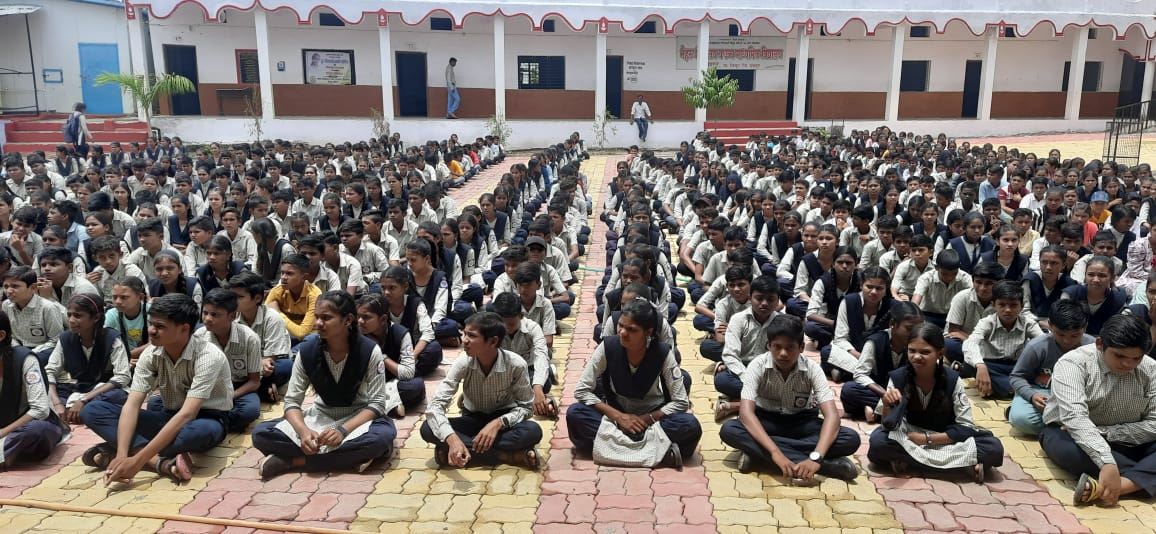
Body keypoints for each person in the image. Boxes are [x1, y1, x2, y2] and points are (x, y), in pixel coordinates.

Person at [79, 294, 233, 484]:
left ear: (184, 328)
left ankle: (129, 451)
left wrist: (136, 462)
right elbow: (132, 405)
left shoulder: (208, 356)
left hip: (205, 418)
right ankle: (158, 462)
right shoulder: (151, 353)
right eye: (151, 324)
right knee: (92, 410)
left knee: (198, 434)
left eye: (160, 326)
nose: (151, 331)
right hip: (168, 416)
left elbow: (187, 414)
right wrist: (121, 454)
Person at [252, 291, 397, 479]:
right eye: (317, 317)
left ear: (348, 320)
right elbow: (292, 402)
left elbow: (377, 404)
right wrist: (304, 432)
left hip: (357, 420)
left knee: (380, 438)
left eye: (327, 318)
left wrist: (342, 431)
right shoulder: (307, 351)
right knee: (261, 434)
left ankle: (293, 461)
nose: (318, 323)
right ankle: (352, 457)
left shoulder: (369, 351)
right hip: (320, 417)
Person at [718, 314, 861, 481]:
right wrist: (775, 453)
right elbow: (746, 413)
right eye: (777, 347)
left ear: (801, 347)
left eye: (790, 347)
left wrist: (816, 457)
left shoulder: (812, 369)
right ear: (769, 346)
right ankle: (827, 467)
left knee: (850, 438)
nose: (783, 353)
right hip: (767, 421)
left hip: (802, 424)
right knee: (730, 430)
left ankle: (759, 457)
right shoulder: (757, 366)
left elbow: (831, 416)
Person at [1041, 314, 1156, 506]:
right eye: (1120, 356)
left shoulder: (1151, 369)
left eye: (1136, 358)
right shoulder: (1073, 364)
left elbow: (1154, 423)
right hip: (1071, 435)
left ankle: (1118, 486)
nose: (1128, 364)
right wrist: (1106, 462)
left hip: (1129, 439)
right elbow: (1075, 418)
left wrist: (1106, 433)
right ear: (1100, 344)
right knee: (1067, 450)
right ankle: (1140, 478)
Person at [568, 299, 699, 468]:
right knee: (575, 413)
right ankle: (659, 452)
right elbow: (581, 390)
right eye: (620, 326)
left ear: (648, 332)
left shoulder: (662, 353)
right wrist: (620, 417)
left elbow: (680, 401)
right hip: (616, 417)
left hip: (652, 419)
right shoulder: (608, 347)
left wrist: (646, 419)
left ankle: (612, 448)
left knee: (689, 425)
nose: (623, 332)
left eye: (631, 329)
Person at [867, 322, 1005, 482]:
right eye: (912, 351)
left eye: (925, 352)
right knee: (878, 442)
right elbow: (887, 425)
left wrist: (925, 439)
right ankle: (961, 464)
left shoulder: (953, 380)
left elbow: (965, 425)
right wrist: (886, 404)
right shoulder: (898, 378)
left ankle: (909, 461)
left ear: (940, 353)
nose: (916, 357)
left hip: (945, 438)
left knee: (993, 447)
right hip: (909, 436)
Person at [420, 312, 543, 469]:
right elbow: (435, 406)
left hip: (503, 423)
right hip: (472, 419)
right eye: (464, 333)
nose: (464, 340)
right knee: (427, 428)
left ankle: (467, 452)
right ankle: (507, 456)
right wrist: (452, 439)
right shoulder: (463, 363)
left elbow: (526, 408)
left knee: (532, 431)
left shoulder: (516, 365)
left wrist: (498, 423)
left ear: (493, 341)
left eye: (471, 336)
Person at [1007, 300, 1093, 436]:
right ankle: (1070, 428)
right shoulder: (1037, 347)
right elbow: (1016, 377)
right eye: (1061, 334)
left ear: (1085, 327)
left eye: (1074, 335)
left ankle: (1062, 427)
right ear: (1050, 326)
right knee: (1022, 419)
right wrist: (1032, 396)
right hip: (1044, 393)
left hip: (1080, 396)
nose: (1067, 341)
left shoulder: (1093, 347)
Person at [0, 310, 68, 469]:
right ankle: (7, 453)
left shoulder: (24, 359)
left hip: (23, 426)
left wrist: (3, 432)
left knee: (38, 430)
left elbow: (40, 410)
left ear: (1, 335)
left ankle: (6, 452)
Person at [960, 280, 1045, 399]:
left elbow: (1043, 344)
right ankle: (1012, 387)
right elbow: (970, 343)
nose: (1008, 310)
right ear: (993, 305)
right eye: (1002, 305)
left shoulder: (1028, 323)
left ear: (1022, 306)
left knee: (1030, 371)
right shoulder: (987, 322)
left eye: (1013, 305)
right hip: (991, 365)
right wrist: (980, 366)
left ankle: (1002, 386)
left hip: (1016, 366)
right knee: (970, 365)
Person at [841, 302, 923, 422]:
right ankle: (890, 411)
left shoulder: (918, 344)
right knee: (849, 390)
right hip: (879, 390)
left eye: (918, 329)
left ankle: (876, 411)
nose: (914, 334)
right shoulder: (875, 341)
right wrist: (885, 394)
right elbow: (860, 374)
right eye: (909, 329)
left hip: (902, 392)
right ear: (893, 324)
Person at [196, 289, 262, 432]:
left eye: (215, 315)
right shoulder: (199, 337)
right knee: (158, 403)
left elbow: (254, 381)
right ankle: (216, 420)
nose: (207, 319)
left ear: (232, 316)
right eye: (205, 313)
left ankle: (213, 421)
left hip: (238, 388)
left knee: (250, 410)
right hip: (209, 387)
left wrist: (229, 396)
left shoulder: (250, 338)